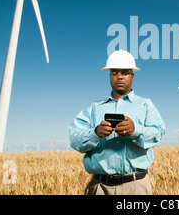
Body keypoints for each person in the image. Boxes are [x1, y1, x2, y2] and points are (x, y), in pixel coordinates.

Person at [69, 50, 166, 195]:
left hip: (136, 186)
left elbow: (159, 133)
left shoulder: (145, 105)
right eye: (114, 73)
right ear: (109, 76)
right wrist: (95, 133)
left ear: (132, 77)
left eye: (125, 73)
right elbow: (75, 138)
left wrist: (135, 130)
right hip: (100, 186)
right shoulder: (94, 108)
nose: (119, 77)